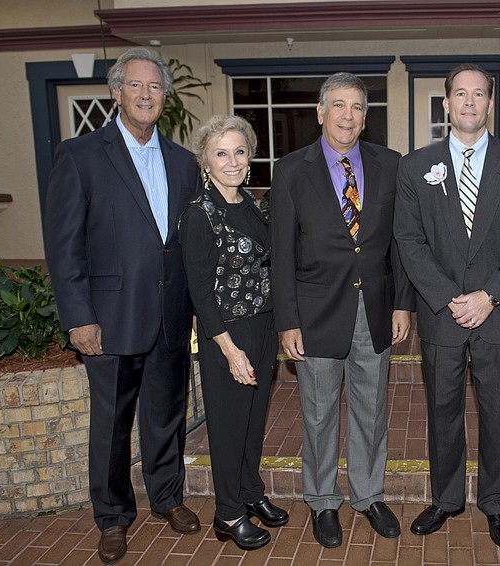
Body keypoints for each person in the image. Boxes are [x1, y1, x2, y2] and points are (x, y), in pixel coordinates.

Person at [43, 47, 201, 564]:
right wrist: (79, 317)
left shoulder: (183, 162)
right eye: (135, 85)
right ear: (116, 93)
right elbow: (64, 245)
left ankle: (167, 498)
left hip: (171, 315)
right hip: (108, 321)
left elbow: (188, 242)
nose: (146, 95)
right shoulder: (81, 154)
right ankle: (111, 516)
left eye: (155, 87)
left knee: (166, 417)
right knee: (110, 424)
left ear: (164, 98)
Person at [394, 63, 500, 548]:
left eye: (478, 94)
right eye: (460, 94)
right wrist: (447, 298)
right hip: (442, 315)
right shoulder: (416, 164)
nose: (468, 102)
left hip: (497, 315)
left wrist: (490, 296)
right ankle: (445, 499)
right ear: (446, 104)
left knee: (498, 411)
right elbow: (409, 239)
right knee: (442, 411)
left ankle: (498, 504)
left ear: (490, 104)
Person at [270, 72, 415, 548]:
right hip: (315, 314)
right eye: (338, 106)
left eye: (356, 107)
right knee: (317, 413)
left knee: (372, 411)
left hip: (374, 310)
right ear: (320, 112)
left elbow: (399, 242)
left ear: (365, 115)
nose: (348, 116)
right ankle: (322, 500)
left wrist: (401, 304)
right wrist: (287, 321)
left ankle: (369, 495)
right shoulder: (292, 170)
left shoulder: (390, 165)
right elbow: (282, 253)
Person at [178, 115, 289, 551]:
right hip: (226, 334)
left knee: (251, 420)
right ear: (205, 160)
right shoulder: (199, 214)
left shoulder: (254, 206)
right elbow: (200, 293)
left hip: (262, 326)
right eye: (221, 153)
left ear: (250, 157)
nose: (232, 161)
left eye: (239, 151)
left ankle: (249, 492)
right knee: (227, 426)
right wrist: (228, 349)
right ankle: (227, 513)